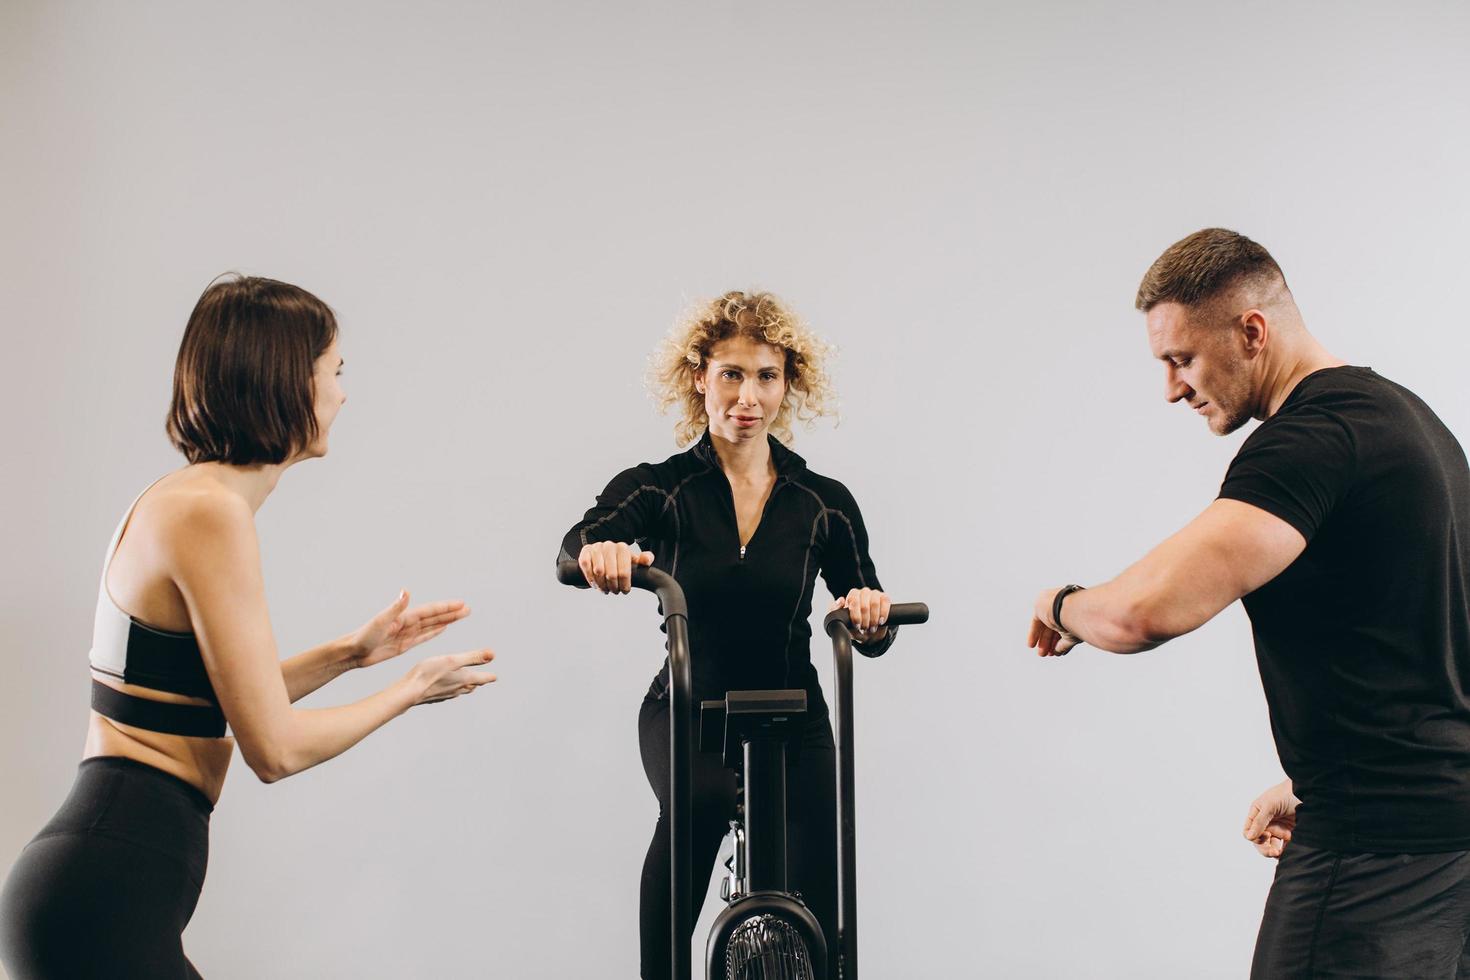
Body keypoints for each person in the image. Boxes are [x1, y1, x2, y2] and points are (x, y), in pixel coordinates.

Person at [0, 276, 497, 979]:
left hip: (91, 885)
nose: (344, 394)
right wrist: (408, 690)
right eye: (336, 372)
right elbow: (274, 750)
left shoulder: (184, 500)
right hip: (104, 892)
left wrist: (352, 655)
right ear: (287, 379)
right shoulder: (211, 515)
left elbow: (202, 697)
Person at [1027, 228, 1470, 977]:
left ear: (1252, 331)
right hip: (1446, 846)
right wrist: (1317, 780)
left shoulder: (1310, 440)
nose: (1172, 387)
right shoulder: (1409, 421)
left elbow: (1145, 613)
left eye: (1181, 359)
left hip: (1371, 867)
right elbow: (1420, 647)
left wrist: (1062, 603)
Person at [559, 291, 897, 980]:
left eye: (766, 376)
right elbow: (574, 549)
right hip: (688, 708)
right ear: (699, 378)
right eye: (732, 374)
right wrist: (603, 555)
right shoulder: (663, 489)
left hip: (794, 714)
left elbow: (871, 620)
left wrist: (867, 614)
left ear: (787, 383)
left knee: (821, 881)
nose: (749, 396)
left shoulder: (821, 502)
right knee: (701, 804)